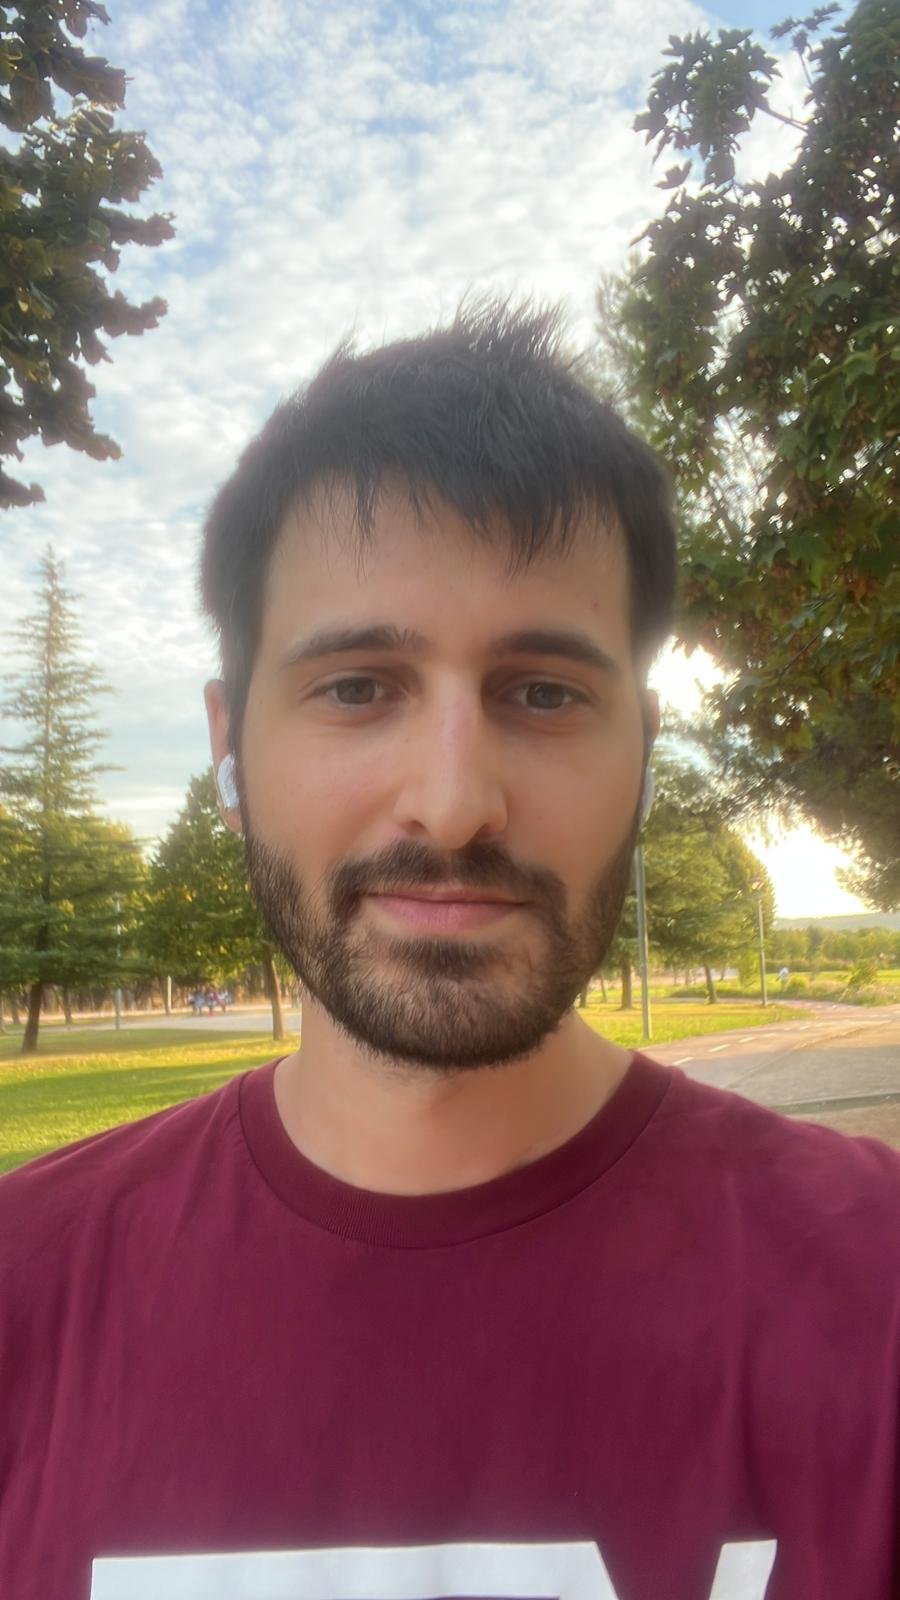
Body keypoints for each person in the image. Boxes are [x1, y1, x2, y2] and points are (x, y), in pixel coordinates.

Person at [1, 303, 898, 1600]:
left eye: (543, 693)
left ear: (642, 748)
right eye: (358, 686)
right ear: (229, 747)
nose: (454, 803)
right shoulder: (25, 1293)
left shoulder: (876, 1293)